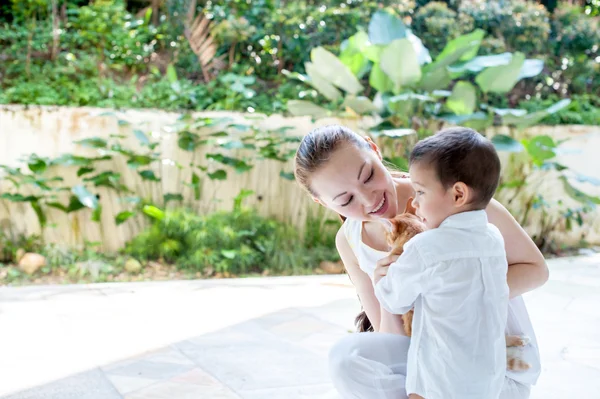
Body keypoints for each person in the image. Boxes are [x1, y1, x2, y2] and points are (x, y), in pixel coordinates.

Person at [293, 125, 547, 399]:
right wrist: (386, 287)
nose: (369, 199)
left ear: (374, 149)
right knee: (346, 358)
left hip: (486, 351)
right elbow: (389, 338)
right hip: (428, 359)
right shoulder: (350, 240)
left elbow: (536, 269)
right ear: (324, 203)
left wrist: (461, 294)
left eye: (368, 176)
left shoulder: (443, 192)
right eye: (346, 199)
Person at [372, 127, 509, 399]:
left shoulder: (425, 248)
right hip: (488, 378)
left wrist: (381, 278)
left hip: (438, 380)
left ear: (458, 194)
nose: (414, 203)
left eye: (420, 192)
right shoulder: (494, 239)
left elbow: (394, 300)